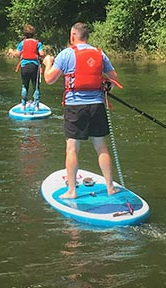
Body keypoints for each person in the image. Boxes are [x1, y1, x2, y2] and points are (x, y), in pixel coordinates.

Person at [42, 22, 120, 199]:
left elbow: (49, 79)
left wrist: (48, 63)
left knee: (72, 149)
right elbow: (114, 80)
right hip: (97, 106)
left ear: (72, 36)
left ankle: (72, 191)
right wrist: (106, 85)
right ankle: (110, 188)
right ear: (88, 37)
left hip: (75, 107)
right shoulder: (100, 54)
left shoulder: (66, 54)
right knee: (101, 147)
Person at [16, 24, 44, 107]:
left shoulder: (22, 43)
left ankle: (23, 105)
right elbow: (42, 54)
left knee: (25, 85)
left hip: (24, 66)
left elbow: (17, 53)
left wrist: (11, 51)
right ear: (33, 34)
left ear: (25, 34)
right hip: (34, 66)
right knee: (36, 86)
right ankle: (36, 105)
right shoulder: (38, 43)